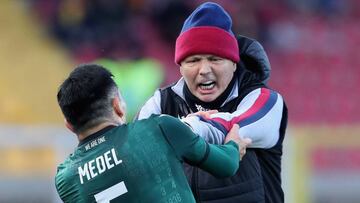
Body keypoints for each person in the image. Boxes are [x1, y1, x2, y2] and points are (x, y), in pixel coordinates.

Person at [137, 2, 288, 203]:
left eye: (215, 59)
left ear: (234, 63)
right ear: (180, 67)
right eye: (193, 60)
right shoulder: (161, 102)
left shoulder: (265, 100)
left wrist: (178, 128)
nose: (204, 69)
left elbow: (229, 126)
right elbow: (135, 149)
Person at [55, 64, 252, 203]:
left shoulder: (65, 178)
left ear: (69, 125)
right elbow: (226, 165)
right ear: (117, 106)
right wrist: (234, 144)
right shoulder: (161, 128)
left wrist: (185, 125)